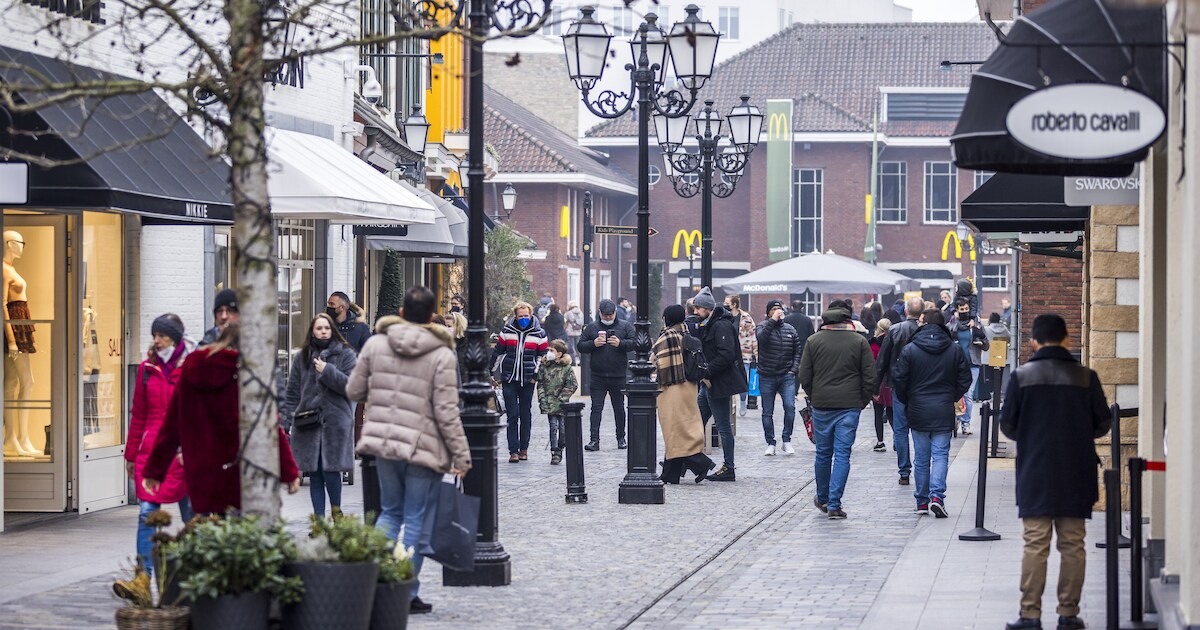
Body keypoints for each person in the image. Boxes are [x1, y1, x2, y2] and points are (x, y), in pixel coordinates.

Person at [347, 286, 471, 616]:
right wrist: (461, 455)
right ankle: (405, 591)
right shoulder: (442, 354)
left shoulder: (375, 344)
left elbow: (354, 389)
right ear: (432, 317)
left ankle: (372, 583)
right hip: (423, 446)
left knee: (389, 513)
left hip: (385, 442)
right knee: (415, 518)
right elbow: (447, 411)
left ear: (401, 311)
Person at [1000, 314, 1110, 630]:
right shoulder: (1086, 377)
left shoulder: (1021, 376)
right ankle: (1068, 613)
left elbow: (1008, 425)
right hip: (1077, 470)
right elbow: (1103, 423)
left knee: (1035, 543)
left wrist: (1032, 436)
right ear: (1066, 339)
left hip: (1035, 471)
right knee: (1073, 544)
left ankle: (1030, 615)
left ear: (1034, 341)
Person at [143, 324, 301, 516]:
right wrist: (289, 472)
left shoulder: (193, 368)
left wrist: (154, 471)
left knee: (211, 536)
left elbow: (171, 426)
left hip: (202, 476)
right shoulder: (248, 374)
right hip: (242, 478)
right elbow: (269, 428)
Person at [126, 314, 196, 573]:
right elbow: (139, 415)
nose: (157, 341)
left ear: (175, 339)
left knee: (191, 517)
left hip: (183, 453)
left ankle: (196, 572)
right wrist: (131, 455)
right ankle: (143, 577)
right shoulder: (147, 369)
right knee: (146, 514)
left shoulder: (191, 368)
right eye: (155, 335)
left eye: (162, 336)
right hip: (152, 452)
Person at [892, 309, 971, 518]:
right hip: (943, 408)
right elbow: (965, 378)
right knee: (941, 455)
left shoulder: (910, 350)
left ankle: (921, 500)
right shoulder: (954, 350)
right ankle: (937, 497)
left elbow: (899, 379)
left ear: (924, 323)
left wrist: (908, 398)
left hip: (918, 408)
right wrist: (952, 396)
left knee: (921, 458)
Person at [799, 303, 875, 520]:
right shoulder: (859, 341)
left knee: (823, 453)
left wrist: (814, 395)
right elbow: (869, 376)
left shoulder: (813, 341)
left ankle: (822, 497)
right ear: (846, 320)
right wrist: (861, 401)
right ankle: (834, 503)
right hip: (849, 405)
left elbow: (804, 375)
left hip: (822, 404)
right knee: (842, 454)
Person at [281, 313, 358, 517]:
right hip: (308, 422)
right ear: (312, 331)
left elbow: (352, 387)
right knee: (314, 473)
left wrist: (327, 371)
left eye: (326, 328)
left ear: (332, 330)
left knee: (332, 471)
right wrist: (289, 418)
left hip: (335, 423)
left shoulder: (346, 354)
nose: (323, 331)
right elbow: (293, 390)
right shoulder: (303, 356)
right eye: (319, 328)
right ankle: (319, 520)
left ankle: (337, 512)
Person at [653, 304, 716, 484]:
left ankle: (701, 464)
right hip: (689, 386)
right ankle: (670, 475)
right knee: (681, 430)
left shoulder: (667, 336)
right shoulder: (686, 333)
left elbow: (658, 361)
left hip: (671, 387)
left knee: (673, 430)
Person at [691, 287, 746, 482]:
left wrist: (706, 372)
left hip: (718, 383)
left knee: (722, 426)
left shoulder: (721, 325)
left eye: (697, 308)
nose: (695, 312)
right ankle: (683, 461)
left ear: (707, 308)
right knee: (696, 421)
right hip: (710, 383)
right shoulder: (711, 323)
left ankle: (729, 467)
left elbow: (726, 355)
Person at [874, 296, 926, 486]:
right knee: (920, 429)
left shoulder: (895, 330)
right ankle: (921, 467)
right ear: (921, 312)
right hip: (921, 387)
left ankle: (904, 471)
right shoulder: (925, 331)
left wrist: (875, 387)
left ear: (905, 311)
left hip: (898, 385)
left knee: (901, 430)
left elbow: (882, 361)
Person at [490, 301, 548, 462]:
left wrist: (535, 376)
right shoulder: (507, 331)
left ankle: (524, 448)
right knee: (512, 415)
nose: (524, 318)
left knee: (525, 414)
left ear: (531, 315)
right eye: (521, 316)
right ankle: (513, 451)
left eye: (526, 316)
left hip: (528, 379)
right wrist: (491, 372)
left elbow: (542, 357)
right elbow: (498, 353)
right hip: (509, 378)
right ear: (515, 316)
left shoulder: (539, 333)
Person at [577, 299, 634, 451]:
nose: (608, 318)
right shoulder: (592, 327)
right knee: (596, 408)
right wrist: (593, 344)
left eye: (610, 315)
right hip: (598, 375)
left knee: (619, 408)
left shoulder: (625, 325)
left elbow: (635, 342)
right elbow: (580, 345)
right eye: (605, 315)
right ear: (600, 313)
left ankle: (621, 438)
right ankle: (594, 440)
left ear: (615, 313)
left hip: (618, 374)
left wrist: (621, 343)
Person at [755, 299, 802, 456]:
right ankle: (771, 442)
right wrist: (772, 321)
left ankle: (786, 440)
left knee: (790, 407)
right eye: (773, 309)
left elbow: (797, 351)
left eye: (779, 308)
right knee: (767, 411)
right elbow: (762, 339)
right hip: (767, 375)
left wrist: (793, 370)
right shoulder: (762, 326)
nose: (777, 311)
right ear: (768, 313)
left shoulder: (790, 329)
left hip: (786, 376)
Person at [948, 297, 990, 435]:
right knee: (955, 392)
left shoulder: (976, 325)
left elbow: (986, 345)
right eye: (962, 309)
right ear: (957, 311)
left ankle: (966, 422)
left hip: (973, 363)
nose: (965, 311)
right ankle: (956, 417)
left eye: (966, 309)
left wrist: (979, 337)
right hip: (956, 364)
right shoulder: (952, 325)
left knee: (968, 393)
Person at [536, 339, 577, 465]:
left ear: (559, 353)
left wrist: (562, 398)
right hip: (549, 402)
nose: (549, 352)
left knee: (563, 428)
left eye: (552, 350)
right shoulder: (545, 366)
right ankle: (555, 452)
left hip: (561, 404)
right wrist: (542, 398)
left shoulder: (566, 368)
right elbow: (540, 383)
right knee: (553, 427)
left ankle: (561, 445)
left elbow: (572, 385)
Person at [724, 295, 758, 417]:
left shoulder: (746, 318)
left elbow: (753, 336)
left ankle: (743, 400)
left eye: (727, 303)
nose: (725, 304)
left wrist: (757, 355)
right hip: (728, 353)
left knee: (743, 380)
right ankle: (727, 404)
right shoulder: (724, 317)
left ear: (734, 304)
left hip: (744, 353)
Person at [868, 319, 892, 453]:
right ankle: (897, 438)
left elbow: (872, 364)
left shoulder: (874, 344)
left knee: (878, 412)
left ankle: (880, 441)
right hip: (890, 380)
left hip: (879, 381)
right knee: (891, 411)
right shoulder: (893, 341)